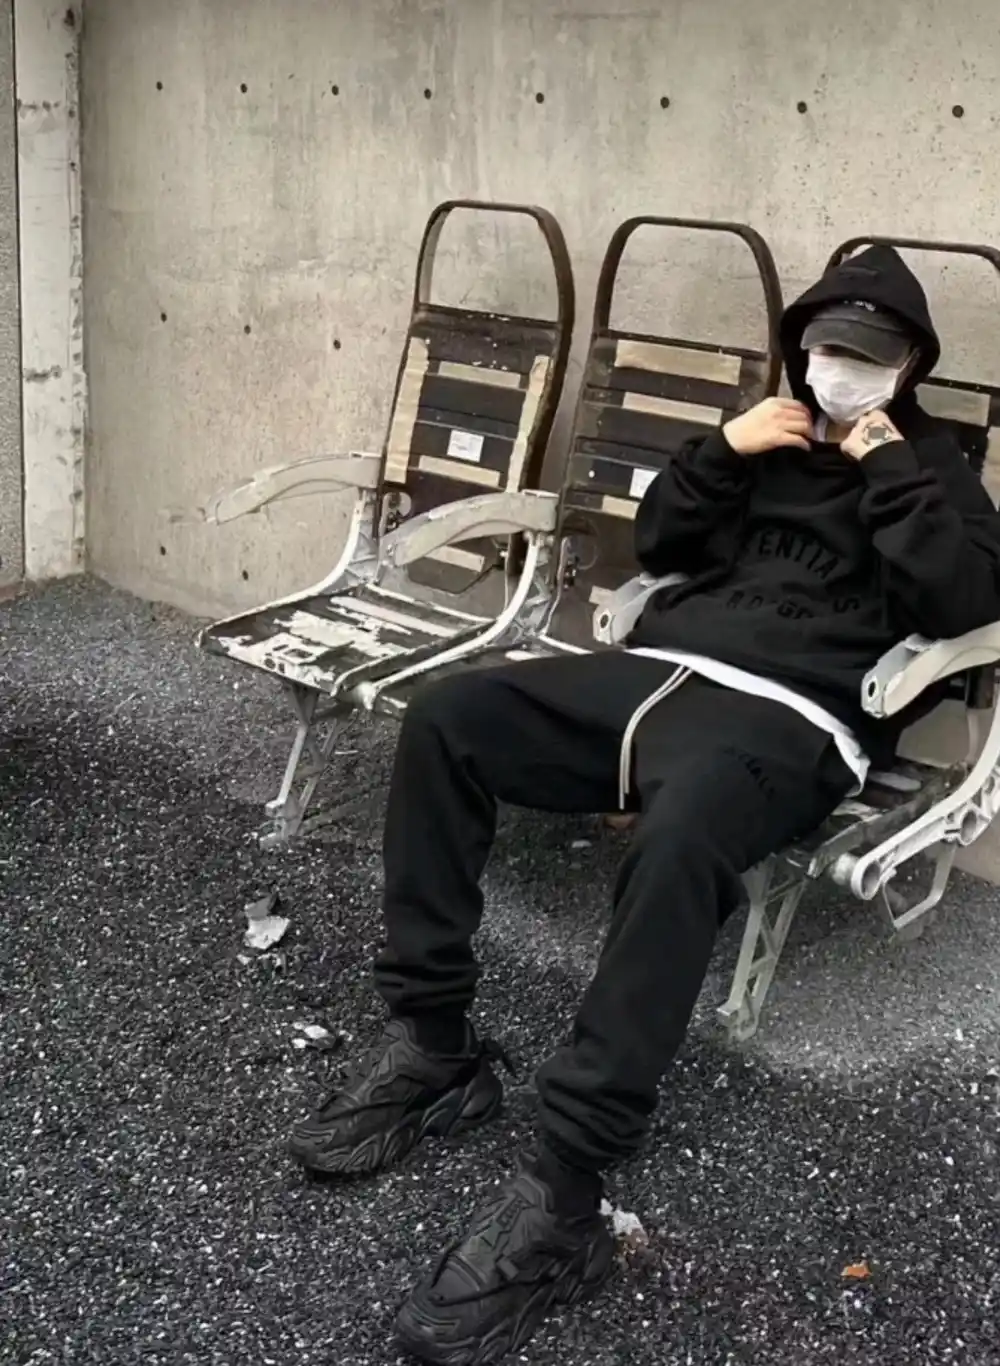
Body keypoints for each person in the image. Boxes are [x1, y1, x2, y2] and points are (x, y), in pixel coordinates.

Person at [290, 245, 1000, 1364]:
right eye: (829, 348)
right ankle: (434, 1047)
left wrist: (891, 466)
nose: (844, 369)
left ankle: (564, 1197)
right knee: (449, 720)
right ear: (801, 347)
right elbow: (662, 540)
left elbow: (960, 603)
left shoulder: (936, 470)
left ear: (909, 365)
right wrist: (722, 449)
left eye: (872, 356)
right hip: (655, 675)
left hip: (793, 719)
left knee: (678, 842)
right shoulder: (762, 438)